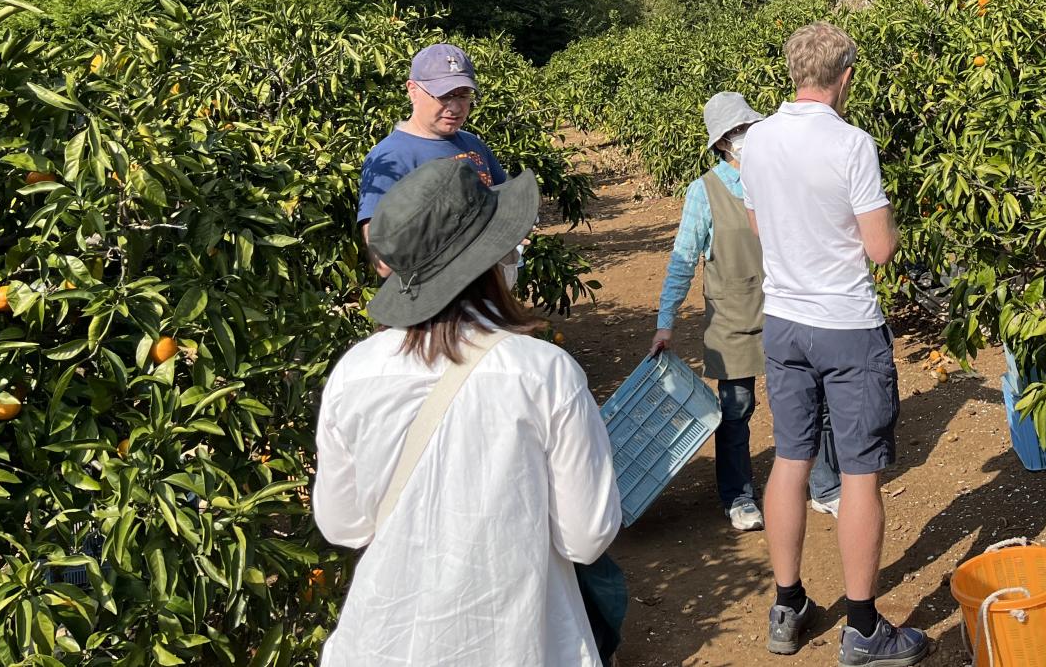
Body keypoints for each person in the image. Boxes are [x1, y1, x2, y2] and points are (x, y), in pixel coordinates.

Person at [314, 157, 621, 666]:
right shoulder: (543, 373)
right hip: (520, 644)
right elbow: (586, 535)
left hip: (382, 644)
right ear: (490, 258)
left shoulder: (355, 374)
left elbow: (343, 525)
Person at [741, 23, 928, 666]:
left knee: (791, 459)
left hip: (784, 320)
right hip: (846, 323)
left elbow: (759, 224)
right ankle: (862, 626)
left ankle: (786, 605)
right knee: (857, 472)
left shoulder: (755, 141)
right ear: (845, 76)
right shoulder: (853, 145)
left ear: (794, 73)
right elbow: (879, 248)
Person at [648, 91, 842, 533]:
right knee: (735, 410)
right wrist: (665, 323)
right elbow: (682, 261)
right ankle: (739, 496)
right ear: (722, 143)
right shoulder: (705, 192)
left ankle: (824, 486)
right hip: (732, 318)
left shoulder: (779, 179)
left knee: (806, 401)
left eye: (750, 129)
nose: (747, 138)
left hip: (786, 308)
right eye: (737, 132)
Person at [358, 43, 506, 272]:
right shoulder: (390, 158)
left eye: (463, 95)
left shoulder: (472, 143)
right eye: (444, 96)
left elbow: (506, 198)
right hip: (440, 298)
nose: (455, 107)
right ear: (412, 90)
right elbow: (384, 261)